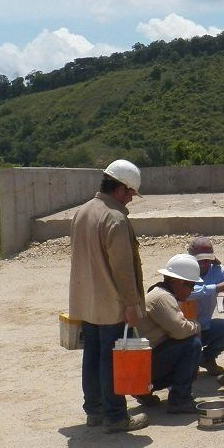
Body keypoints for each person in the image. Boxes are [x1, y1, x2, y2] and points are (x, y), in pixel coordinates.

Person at [67, 159, 148, 433]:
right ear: (123, 189)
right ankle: (115, 415)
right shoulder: (115, 217)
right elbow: (123, 269)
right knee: (111, 358)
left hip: (87, 302)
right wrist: (130, 304)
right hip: (111, 301)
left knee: (92, 356)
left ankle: (95, 411)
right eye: (131, 194)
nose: (131, 200)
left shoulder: (82, 212)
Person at [135, 254, 203, 414]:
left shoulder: (161, 294)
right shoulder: (162, 297)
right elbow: (180, 331)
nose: (192, 290)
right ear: (177, 282)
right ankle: (180, 400)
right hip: (143, 365)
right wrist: (196, 326)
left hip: (143, 362)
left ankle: (145, 390)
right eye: (190, 285)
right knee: (192, 345)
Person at [185, 236, 224, 375]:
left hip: (204, 326)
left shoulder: (218, 270)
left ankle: (205, 358)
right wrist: (215, 288)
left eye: (207, 260)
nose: (204, 264)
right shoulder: (182, 270)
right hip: (181, 331)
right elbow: (185, 293)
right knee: (186, 373)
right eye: (200, 260)